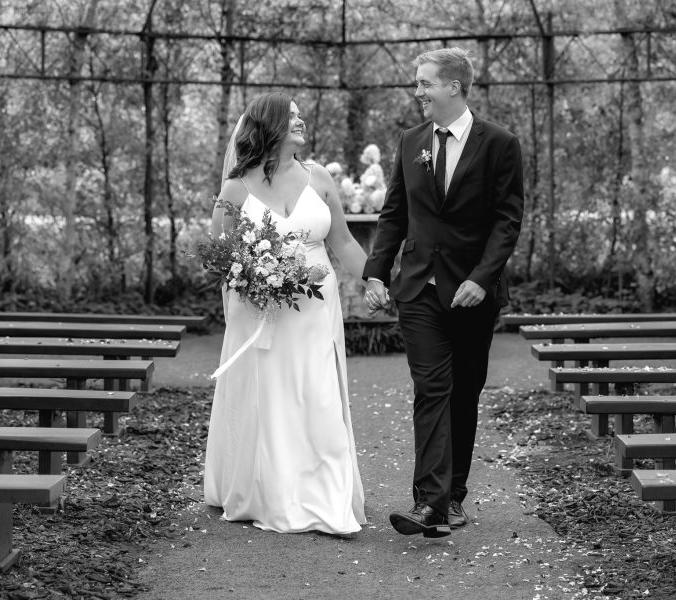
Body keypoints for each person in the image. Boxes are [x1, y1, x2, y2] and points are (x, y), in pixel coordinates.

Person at [363, 48, 525, 538]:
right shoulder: (412, 141)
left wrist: (482, 278)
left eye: (424, 83)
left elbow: (507, 220)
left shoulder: (500, 143)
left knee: (465, 392)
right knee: (432, 388)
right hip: (418, 287)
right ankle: (428, 503)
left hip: (472, 292)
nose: (418, 92)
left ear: (453, 86)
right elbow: (394, 212)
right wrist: (376, 272)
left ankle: (453, 495)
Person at [203, 92, 368, 535]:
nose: (301, 122)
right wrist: (255, 281)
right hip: (260, 313)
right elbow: (220, 256)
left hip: (315, 310)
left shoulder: (320, 178)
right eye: (291, 117)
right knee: (270, 399)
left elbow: (345, 243)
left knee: (317, 395)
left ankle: (326, 496)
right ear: (269, 126)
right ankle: (271, 492)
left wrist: (374, 280)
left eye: (300, 117)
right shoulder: (236, 187)